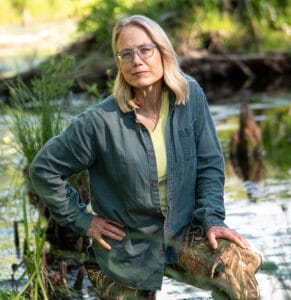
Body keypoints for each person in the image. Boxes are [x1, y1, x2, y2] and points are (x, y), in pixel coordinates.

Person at [30, 15, 261, 300]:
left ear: (162, 51)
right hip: (126, 247)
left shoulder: (190, 97)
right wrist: (83, 221)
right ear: (119, 64)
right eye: (125, 54)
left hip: (182, 231)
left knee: (236, 266)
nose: (136, 60)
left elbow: (210, 165)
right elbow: (43, 169)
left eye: (144, 49)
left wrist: (213, 219)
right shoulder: (99, 122)